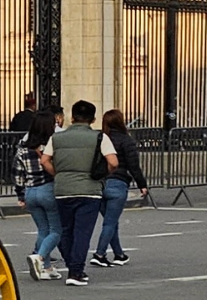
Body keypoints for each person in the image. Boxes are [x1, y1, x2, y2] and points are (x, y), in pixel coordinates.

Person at [40, 101, 120, 287]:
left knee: (66, 230)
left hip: (63, 189)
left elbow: (44, 160)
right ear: (93, 119)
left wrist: (58, 174)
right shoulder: (100, 137)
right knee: (82, 232)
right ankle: (76, 271)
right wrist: (103, 175)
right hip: (89, 190)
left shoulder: (57, 137)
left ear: (72, 117)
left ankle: (72, 265)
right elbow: (114, 162)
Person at [11, 110, 60, 279]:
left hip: (30, 190)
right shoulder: (51, 146)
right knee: (56, 230)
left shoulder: (22, 148)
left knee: (42, 230)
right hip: (48, 188)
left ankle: (45, 267)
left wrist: (20, 195)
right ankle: (39, 257)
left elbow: (17, 173)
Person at [95, 109, 145, 266]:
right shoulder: (126, 140)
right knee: (110, 222)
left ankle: (119, 254)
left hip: (100, 183)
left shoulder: (100, 139)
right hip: (118, 182)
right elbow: (133, 165)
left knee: (111, 221)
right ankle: (100, 254)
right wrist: (142, 184)